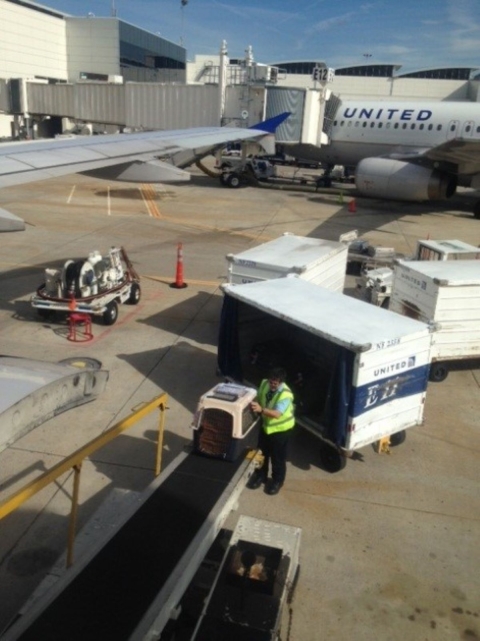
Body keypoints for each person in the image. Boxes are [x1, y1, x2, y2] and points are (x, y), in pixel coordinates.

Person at [247, 367, 295, 495]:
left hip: (281, 431)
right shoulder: (264, 383)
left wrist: (261, 410)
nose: (272, 385)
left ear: (281, 382)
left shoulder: (286, 394)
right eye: (271, 381)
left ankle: (277, 481)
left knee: (278, 458)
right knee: (260, 453)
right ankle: (260, 475)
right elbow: (259, 396)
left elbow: (277, 414)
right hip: (265, 427)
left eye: (275, 383)